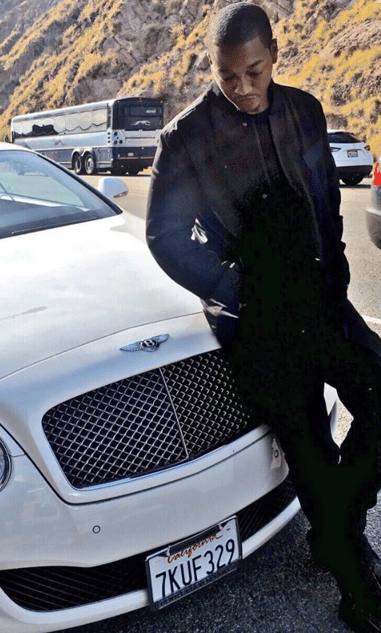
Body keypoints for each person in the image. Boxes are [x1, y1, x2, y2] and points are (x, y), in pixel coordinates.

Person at [146, 3, 381, 631]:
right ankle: (358, 588)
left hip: (323, 300)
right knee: (308, 449)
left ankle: (338, 529)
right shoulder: (186, 137)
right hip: (259, 323)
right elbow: (166, 236)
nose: (244, 88)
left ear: (274, 54)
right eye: (229, 77)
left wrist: (336, 269)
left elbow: (328, 192)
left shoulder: (304, 108)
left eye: (254, 71)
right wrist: (234, 289)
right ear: (214, 69)